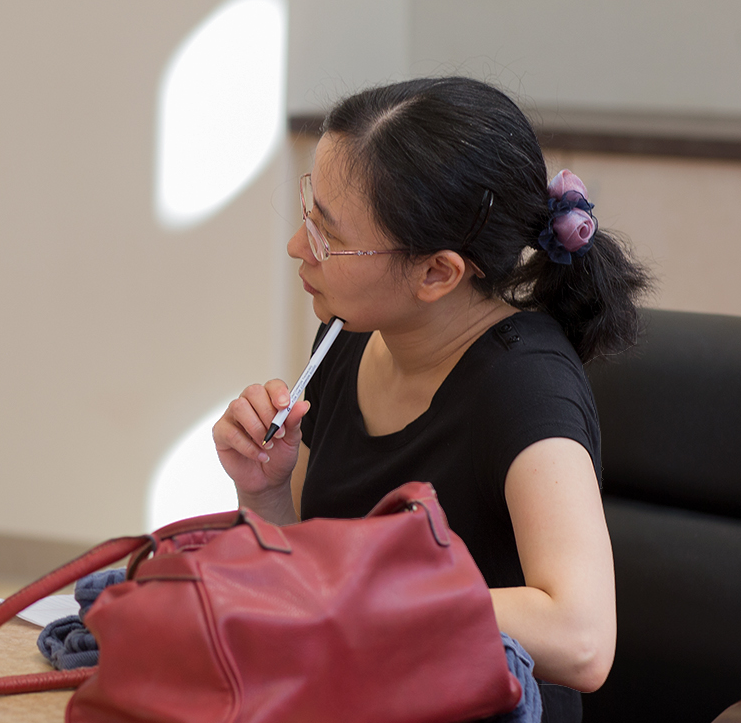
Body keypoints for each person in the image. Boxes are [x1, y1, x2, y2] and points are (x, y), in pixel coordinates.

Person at [213, 77, 649, 719]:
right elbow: (300, 584)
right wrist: (264, 491)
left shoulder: (526, 384)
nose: (298, 248)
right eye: (309, 213)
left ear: (436, 273)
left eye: (328, 234)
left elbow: (582, 639)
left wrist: (367, 595)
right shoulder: (346, 339)